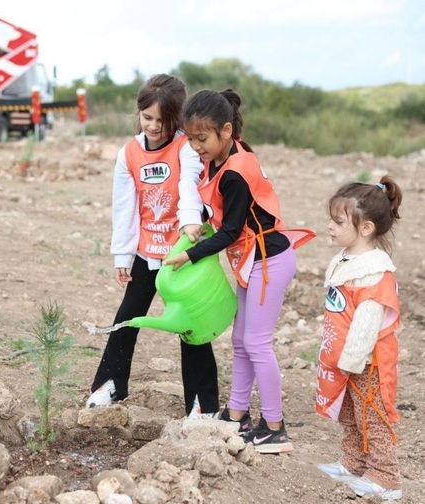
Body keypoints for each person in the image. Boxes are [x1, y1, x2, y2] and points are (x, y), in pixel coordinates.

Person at [165, 89, 315, 454]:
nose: (196, 147)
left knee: (257, 343)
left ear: (226, 131)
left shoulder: (234, 173)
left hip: (268, 262)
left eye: (202, 139)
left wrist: (190, 256)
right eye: (191, 139)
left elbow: (231, 231)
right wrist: (200, 223)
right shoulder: (222, 157)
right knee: (240, 340)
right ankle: (236, 414)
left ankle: (275, 427)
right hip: (252, 262)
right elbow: (223, 215)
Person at [86, 74, 219, 418]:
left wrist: (190, 223)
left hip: (181, 252)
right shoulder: (128, 153)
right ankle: (109, 385)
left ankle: (202, 405)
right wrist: (122, 254)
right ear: (139, 113)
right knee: (127, 317)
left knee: (190, 326)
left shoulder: (186, 148)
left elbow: (190, 187)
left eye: (164, 120)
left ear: (177, 119)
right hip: (146, 253)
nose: (155, 127)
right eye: (148, 118)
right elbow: (124, 207)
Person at [315, 177, 403, 501]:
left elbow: (367, 324)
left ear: (365, 228)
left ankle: (386, 476)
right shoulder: (345, 260)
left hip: (367, 361)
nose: (330, 226)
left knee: (372, 415)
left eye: (338, 222)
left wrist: (351, 360)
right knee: (348, 412)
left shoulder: (374, 272)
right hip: (343, 358)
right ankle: (353, 461)